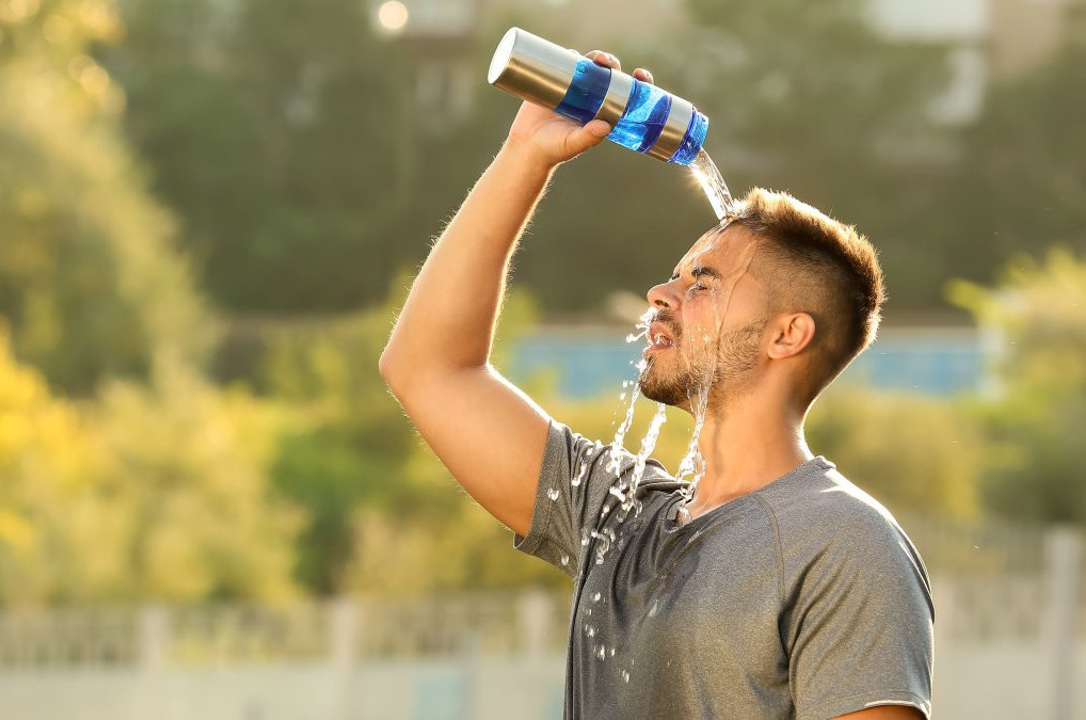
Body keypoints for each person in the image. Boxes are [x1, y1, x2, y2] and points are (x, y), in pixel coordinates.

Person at [378, 49, 933, 720]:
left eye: (704, 282)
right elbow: (427, 368)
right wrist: (525, 156)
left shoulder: (843, 543)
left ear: (788, 334)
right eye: (676, 276)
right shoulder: (619, 517)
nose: (660, 295)